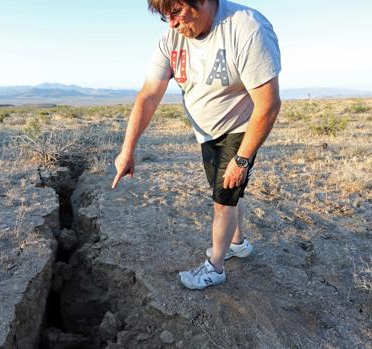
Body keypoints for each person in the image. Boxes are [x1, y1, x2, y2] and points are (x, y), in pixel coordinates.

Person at [112, 0, 281, 290]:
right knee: (226, 192)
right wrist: (127, 149)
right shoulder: (171, 38)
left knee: (223, 199)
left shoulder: (246, 28)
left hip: (240, 127)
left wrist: (241, 160)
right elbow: (149, 95)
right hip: (207, 133)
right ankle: (237, 244)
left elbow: (268, 104)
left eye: (176, 12)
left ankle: (215, 266)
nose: (172, 23)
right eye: (166, 16)